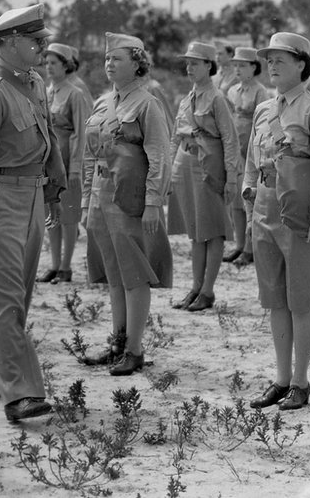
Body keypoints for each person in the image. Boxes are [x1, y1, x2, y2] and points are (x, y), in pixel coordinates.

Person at [0, 4, 65, 421]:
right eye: (34, 41)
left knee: (18, 296)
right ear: (6, 43)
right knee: (5, 299)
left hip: (33, 196)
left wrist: (53, 191)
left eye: (42, 40)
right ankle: (19, 393)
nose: (42, 47)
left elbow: (47, 138)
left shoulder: (33, 82)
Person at [244, 32, 310, 411]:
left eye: (281, 60)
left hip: (301, 214)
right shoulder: (263, 109)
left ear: (302, 65)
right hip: (266, 209)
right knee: (276, 300)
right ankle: (281, 378)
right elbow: (251, 163)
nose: (272, 65)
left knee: (301, 299)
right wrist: (248, 197)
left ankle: (301, 383)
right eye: (269, 59)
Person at [79, 32, 172, 374]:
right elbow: (90, 156)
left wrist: (152, 202)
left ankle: (134, 349)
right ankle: (117, 342)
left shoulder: (148, 103)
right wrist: (88, 197)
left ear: (137, 64)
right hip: (102, 197)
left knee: (133, 273)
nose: (109, 64)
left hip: (129, 197)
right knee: (114, 273)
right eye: (106, 59)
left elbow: (160, 154)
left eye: (117, 58)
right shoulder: (103, 102)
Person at [171, 41, 238, 312]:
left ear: (209, 66)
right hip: (187, 164)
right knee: (196, 232)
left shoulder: (217, 98)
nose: (189, 67)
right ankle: (196, 288)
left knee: (213, 231)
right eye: (187, 63)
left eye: (195, 63)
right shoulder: (187, 98)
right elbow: (176, 134)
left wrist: (232, 176)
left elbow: (230, 139)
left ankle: (208, 290)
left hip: (209, 167)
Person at [36, 42, 92, 285]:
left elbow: (81, 132)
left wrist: (76, 168)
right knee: (51, 213)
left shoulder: (75, 93)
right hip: (48, 161)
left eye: (54, 63)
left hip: (68, 159)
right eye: (46, 63)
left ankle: (66, 267)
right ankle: (54, 264)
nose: (48, 67)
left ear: (67, 65)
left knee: (69, 217)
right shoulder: (46, 92)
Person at [225, 47, 270, 266]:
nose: (238, 69)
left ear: (254, 67)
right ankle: (239, 244)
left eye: (242, 65)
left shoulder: (260, 91)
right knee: (235, 201)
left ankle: (251, 248)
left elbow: (263, 124)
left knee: (249, 199)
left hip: (251, 151)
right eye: (235, 65)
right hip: (235, 150)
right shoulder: (232, 90)